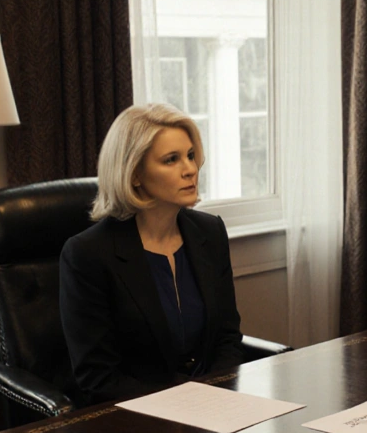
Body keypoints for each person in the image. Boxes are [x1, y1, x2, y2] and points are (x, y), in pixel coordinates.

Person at [60, 104, 247, 405]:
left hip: (213, 412)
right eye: (171, 160)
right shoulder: (88, 254)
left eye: (190, 155)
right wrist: (182, 406)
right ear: (134, 174)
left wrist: (214, 400)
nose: (190, 169)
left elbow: (227, 338)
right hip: (136, 420)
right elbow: (99, 377)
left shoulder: (209, 232)